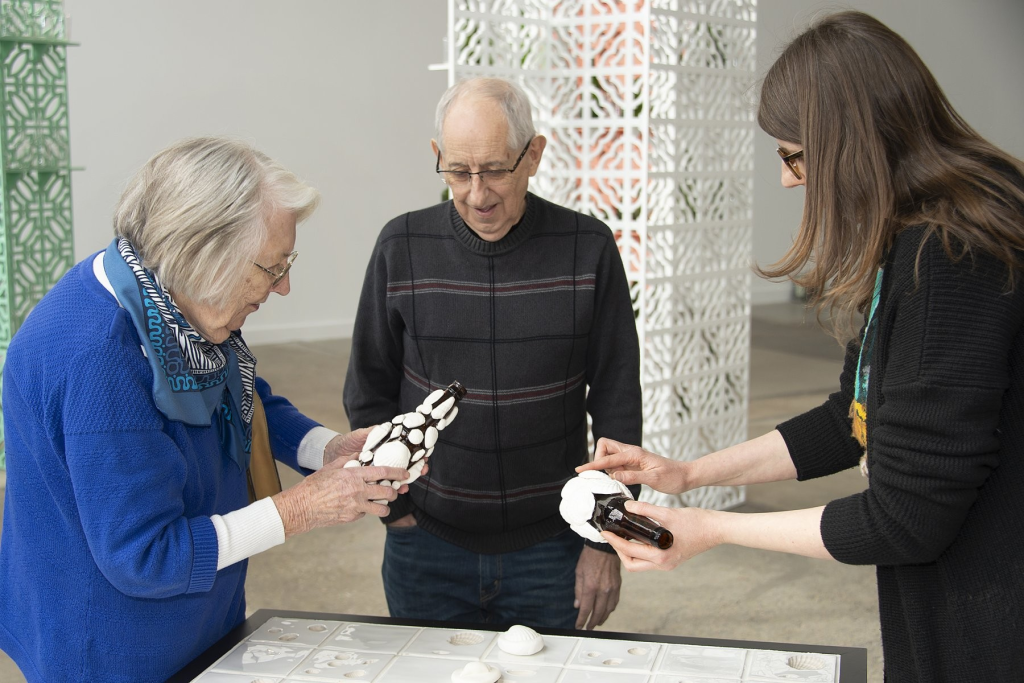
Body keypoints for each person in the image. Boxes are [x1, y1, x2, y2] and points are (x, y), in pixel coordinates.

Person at [580, 11, 1024, 682]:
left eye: (794, 156)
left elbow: (905, 518)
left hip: (989, 617)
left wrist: (712, 529)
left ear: (847, 145)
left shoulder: (950, 259)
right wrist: (688, 473)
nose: (790, 180)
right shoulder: (918, 237)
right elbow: (853, 417)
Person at [0, 137, 412, 683]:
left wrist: (326, 448)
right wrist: (300, 509)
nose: (285, 287)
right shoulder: (100, 360)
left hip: (198, 618)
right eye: (273, 267)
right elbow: (145, 556)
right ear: (203, 252)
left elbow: (238, 394)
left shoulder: (169, 296)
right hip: (114, 649)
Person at [343, 77, 642, 630]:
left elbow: (618, 403)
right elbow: (368, 390)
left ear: (534, 155)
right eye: (459, 171)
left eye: (496, 170)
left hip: (553, 546)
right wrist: (395, 511)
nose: (478, 194)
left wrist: (605, 538)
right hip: (424, 546)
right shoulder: (401, 246)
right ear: (437, 157)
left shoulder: (588, 247)